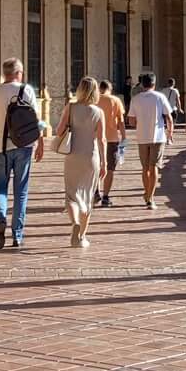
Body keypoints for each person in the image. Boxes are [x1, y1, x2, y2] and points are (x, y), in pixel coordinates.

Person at [0, 57, 44, 251]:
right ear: (19, 73)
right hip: (24, 146)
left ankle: (1, 218)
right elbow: (36, 120)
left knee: (0, 187)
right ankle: (17, 234)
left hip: (2, 148)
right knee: (21, 191)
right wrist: (40, 142)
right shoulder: (27, 90)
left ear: (4, 73)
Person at [54, 77, 106, 248]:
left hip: (73, 156)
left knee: (71, 195)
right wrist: (105, 163)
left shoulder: (71, 107)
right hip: (91, 158)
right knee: (88, 196)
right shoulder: (98, 112)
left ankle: (74, 222)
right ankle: (82, 236)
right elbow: (102, 140)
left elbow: (60, 130)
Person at [127, 70, 174, 209]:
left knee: (145, 168)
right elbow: (169, 117)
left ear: (142, 84)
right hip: (158, 136)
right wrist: (170, 132)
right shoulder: (160, 97)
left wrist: (140, 122)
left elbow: (131, 121)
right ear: (154, 83)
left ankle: (147, 192)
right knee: (154, 168)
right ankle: (150, 198)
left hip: (142, 137)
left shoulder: (136, 99)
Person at [96, 78, 125, 207]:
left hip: (95, 138)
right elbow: (121, 121)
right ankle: (106, 196)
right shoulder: (116, 100)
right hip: (112, 138)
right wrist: (124, 137)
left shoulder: (94, 100)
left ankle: (96, 192)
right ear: (110, 89)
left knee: (96, 167)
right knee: (110, 168)